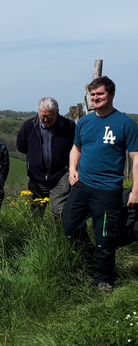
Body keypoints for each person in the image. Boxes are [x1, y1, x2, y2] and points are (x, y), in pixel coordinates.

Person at [62, 76, 138, 292]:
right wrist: (73, 169)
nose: (95, 98)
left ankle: (103, 279)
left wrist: (136, 190)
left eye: (100, 94)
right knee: (69, 225)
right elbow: (76, 148)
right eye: (92, 94)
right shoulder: (85, 122)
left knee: (104, 235)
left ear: (111, 94)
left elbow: (136, 157)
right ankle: (90, 260)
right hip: (83, 185)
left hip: (108, 190)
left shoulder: (125, 123)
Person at [16, 97, 75, 217]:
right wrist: (35, 158)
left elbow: (76, 148)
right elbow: (21, 146)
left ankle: (58, 234)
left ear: (57, 113)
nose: (45, 119)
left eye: (50, 116)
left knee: (60, 210)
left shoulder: (69, 126)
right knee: (36, 212)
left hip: (61, 175)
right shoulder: (29, 126)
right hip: (36, 176)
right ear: (38, 112)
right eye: (42, 116)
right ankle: (37, 234)